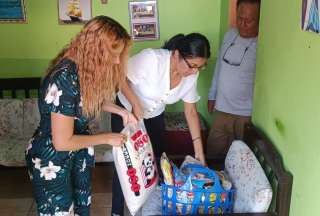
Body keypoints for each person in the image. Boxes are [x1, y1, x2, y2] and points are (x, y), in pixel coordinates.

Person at [25, 16, 137, 215]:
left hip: (77, 153)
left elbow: (85, 100)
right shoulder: (64, 77)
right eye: (113, 54)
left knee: (81, 208)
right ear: (96, 48)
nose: (117, 60)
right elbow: (61, 142)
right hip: (53, 160)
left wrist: (120, 110)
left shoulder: (81, 68)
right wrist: (107, 138)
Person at [111, 33, 211, 215]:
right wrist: (134, 103)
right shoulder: (152, 60)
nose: (194, 72)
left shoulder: (191, 75)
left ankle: (149, 208)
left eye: (200, 67)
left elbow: (190, 112)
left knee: (155, 162)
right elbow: (119, 76)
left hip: (155, 116)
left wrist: (199, 153)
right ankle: (116, 211)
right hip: (126, 113)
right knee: (128, 166)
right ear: (176, 54)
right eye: (192, 66)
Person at [207, 0, 261, 158]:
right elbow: (219, 67)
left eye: (249, 20)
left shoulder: (262, 43)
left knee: (242, 159)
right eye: (240, 18)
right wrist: (212, 95)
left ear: (259, 19)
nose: (243, 24)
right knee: (213, 154)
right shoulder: (230, 34)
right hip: (222, 109)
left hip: (245, 114)